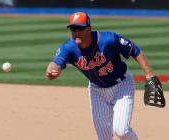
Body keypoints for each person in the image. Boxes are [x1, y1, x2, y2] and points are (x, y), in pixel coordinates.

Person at [46, 12, 156, 140]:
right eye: (73, 28)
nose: (76, 32)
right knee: (103, 137)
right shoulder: (69, 48)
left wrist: (149, 74)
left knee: (121, 130)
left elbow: (134, 50)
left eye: (80, 28)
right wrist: (52, 70)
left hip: (122, 86)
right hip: (96, 91)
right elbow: (55, 62)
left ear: (89, 28)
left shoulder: (108, 39)